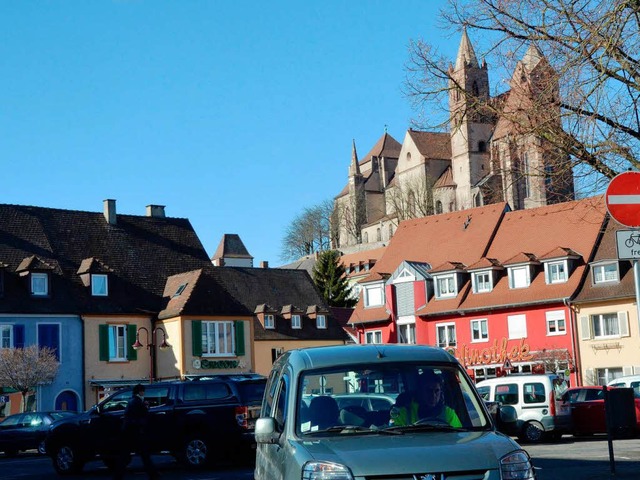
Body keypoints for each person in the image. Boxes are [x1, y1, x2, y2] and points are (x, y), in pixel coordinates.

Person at [112, 384, 159, 480]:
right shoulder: (137, 402)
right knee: (144, 455)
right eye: (143, 391)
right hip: (135, 432)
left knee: (125, 456)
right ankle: (153, 475)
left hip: (128, 432)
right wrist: (146, 407)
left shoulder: (132, 401)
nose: (144, 393)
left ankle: (118, 476)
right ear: (140, 391)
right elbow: (142, 415)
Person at [389, 371, 462, 427]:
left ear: (441, 393)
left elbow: (459, 437)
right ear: (420, 392)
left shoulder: (448, 413)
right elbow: (396, 437)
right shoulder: (405, 413)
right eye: (428, 391)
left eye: (436, 391)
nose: (433, 395)